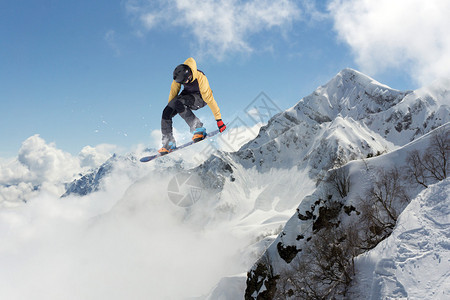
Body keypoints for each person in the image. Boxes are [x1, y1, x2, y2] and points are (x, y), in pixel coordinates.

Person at [158, 57, 226, 155]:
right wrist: (171, 109)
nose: (182, 84)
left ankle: (198, 129)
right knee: (166, 111)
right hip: (186, 96)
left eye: (183, 82)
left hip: (201, 98)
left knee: (180, 102)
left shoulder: (200, 77)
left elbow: (210, 99)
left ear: (189, 76)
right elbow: (173, 93)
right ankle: (168, 142)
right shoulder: (179, 77)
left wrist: (219, 120)